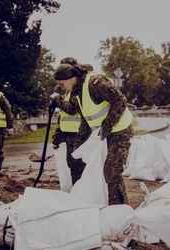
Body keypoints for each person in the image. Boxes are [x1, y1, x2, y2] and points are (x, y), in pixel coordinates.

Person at [53, 60, 134, 205]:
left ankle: (121, 212)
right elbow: (85, 119)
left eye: (61, 84)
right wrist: (79, 144)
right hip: (107, 132)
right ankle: (112, 207)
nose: (61, 87)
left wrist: (107, 125)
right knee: (102, 172)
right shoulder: (78, 92)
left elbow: (120, 100)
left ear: (70, 78)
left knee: (112, 172)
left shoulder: (94, 83)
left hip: (120, 130)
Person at [50, 57, 92, 185]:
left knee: (78, 165)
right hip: (69, 133)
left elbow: (71, 109)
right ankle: (77, 191)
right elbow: (62, 117)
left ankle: (80, 193)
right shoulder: (68, 90)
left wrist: (57, 99)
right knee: (72, 165)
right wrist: (57, 137)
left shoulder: (77, 89)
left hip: (78, 133)